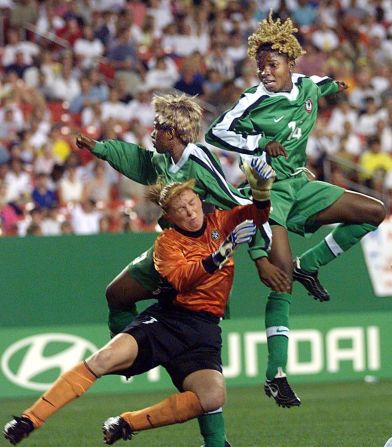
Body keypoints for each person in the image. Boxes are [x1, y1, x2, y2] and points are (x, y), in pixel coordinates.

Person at [3, 159, 274, 446]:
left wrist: (262, 193)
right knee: (103, 359)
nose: (190, 211)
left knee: (212, 397)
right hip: (168, 321)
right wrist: (223, 251)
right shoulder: (167, 244)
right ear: (168, 216)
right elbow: (183, 279)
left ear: (199, 200)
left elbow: (257, 215)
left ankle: (126, 423)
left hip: (204, 331)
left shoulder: (220, 220)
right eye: (181, 208)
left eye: (192, 202)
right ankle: (29, 419)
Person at [205, 13, 386, 407]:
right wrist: (257, 144)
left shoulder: (307, 87)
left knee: (375, 211)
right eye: (261, 66)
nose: (265, 72)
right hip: (272, 193)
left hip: (304, 185)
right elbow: (216, 131)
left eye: (272, 65)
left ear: (291, 63)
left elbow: (322, 86)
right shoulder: (254, 100)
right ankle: (276, 374)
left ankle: (312, 263)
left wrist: (338, 85)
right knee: (281, 279)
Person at [75, 92, 273, 447]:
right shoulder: (165, 162)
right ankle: (127, 354)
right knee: (117, 294)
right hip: (171, 252)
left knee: (194, 364)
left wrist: (256, 243)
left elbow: (231, 199)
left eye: (159, 127)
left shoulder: (197, 159)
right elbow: (138, 162)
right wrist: (101, 148)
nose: (153, 132)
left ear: (175, 131)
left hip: (201, 259)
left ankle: (214, 439)